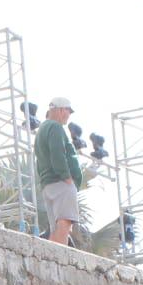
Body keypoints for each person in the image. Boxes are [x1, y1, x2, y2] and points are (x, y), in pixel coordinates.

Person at [34, 96, 82, 245]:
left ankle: (50, 259)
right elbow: (57, 153)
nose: (68, 115)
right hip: (61, 183)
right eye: (68, 111)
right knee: (64, 225)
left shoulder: (42, 129)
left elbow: (39, 160)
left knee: (55, 228)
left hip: (49, 184)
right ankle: (57, 260)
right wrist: (67, 177)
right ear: (61, 110)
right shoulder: (55, 127)